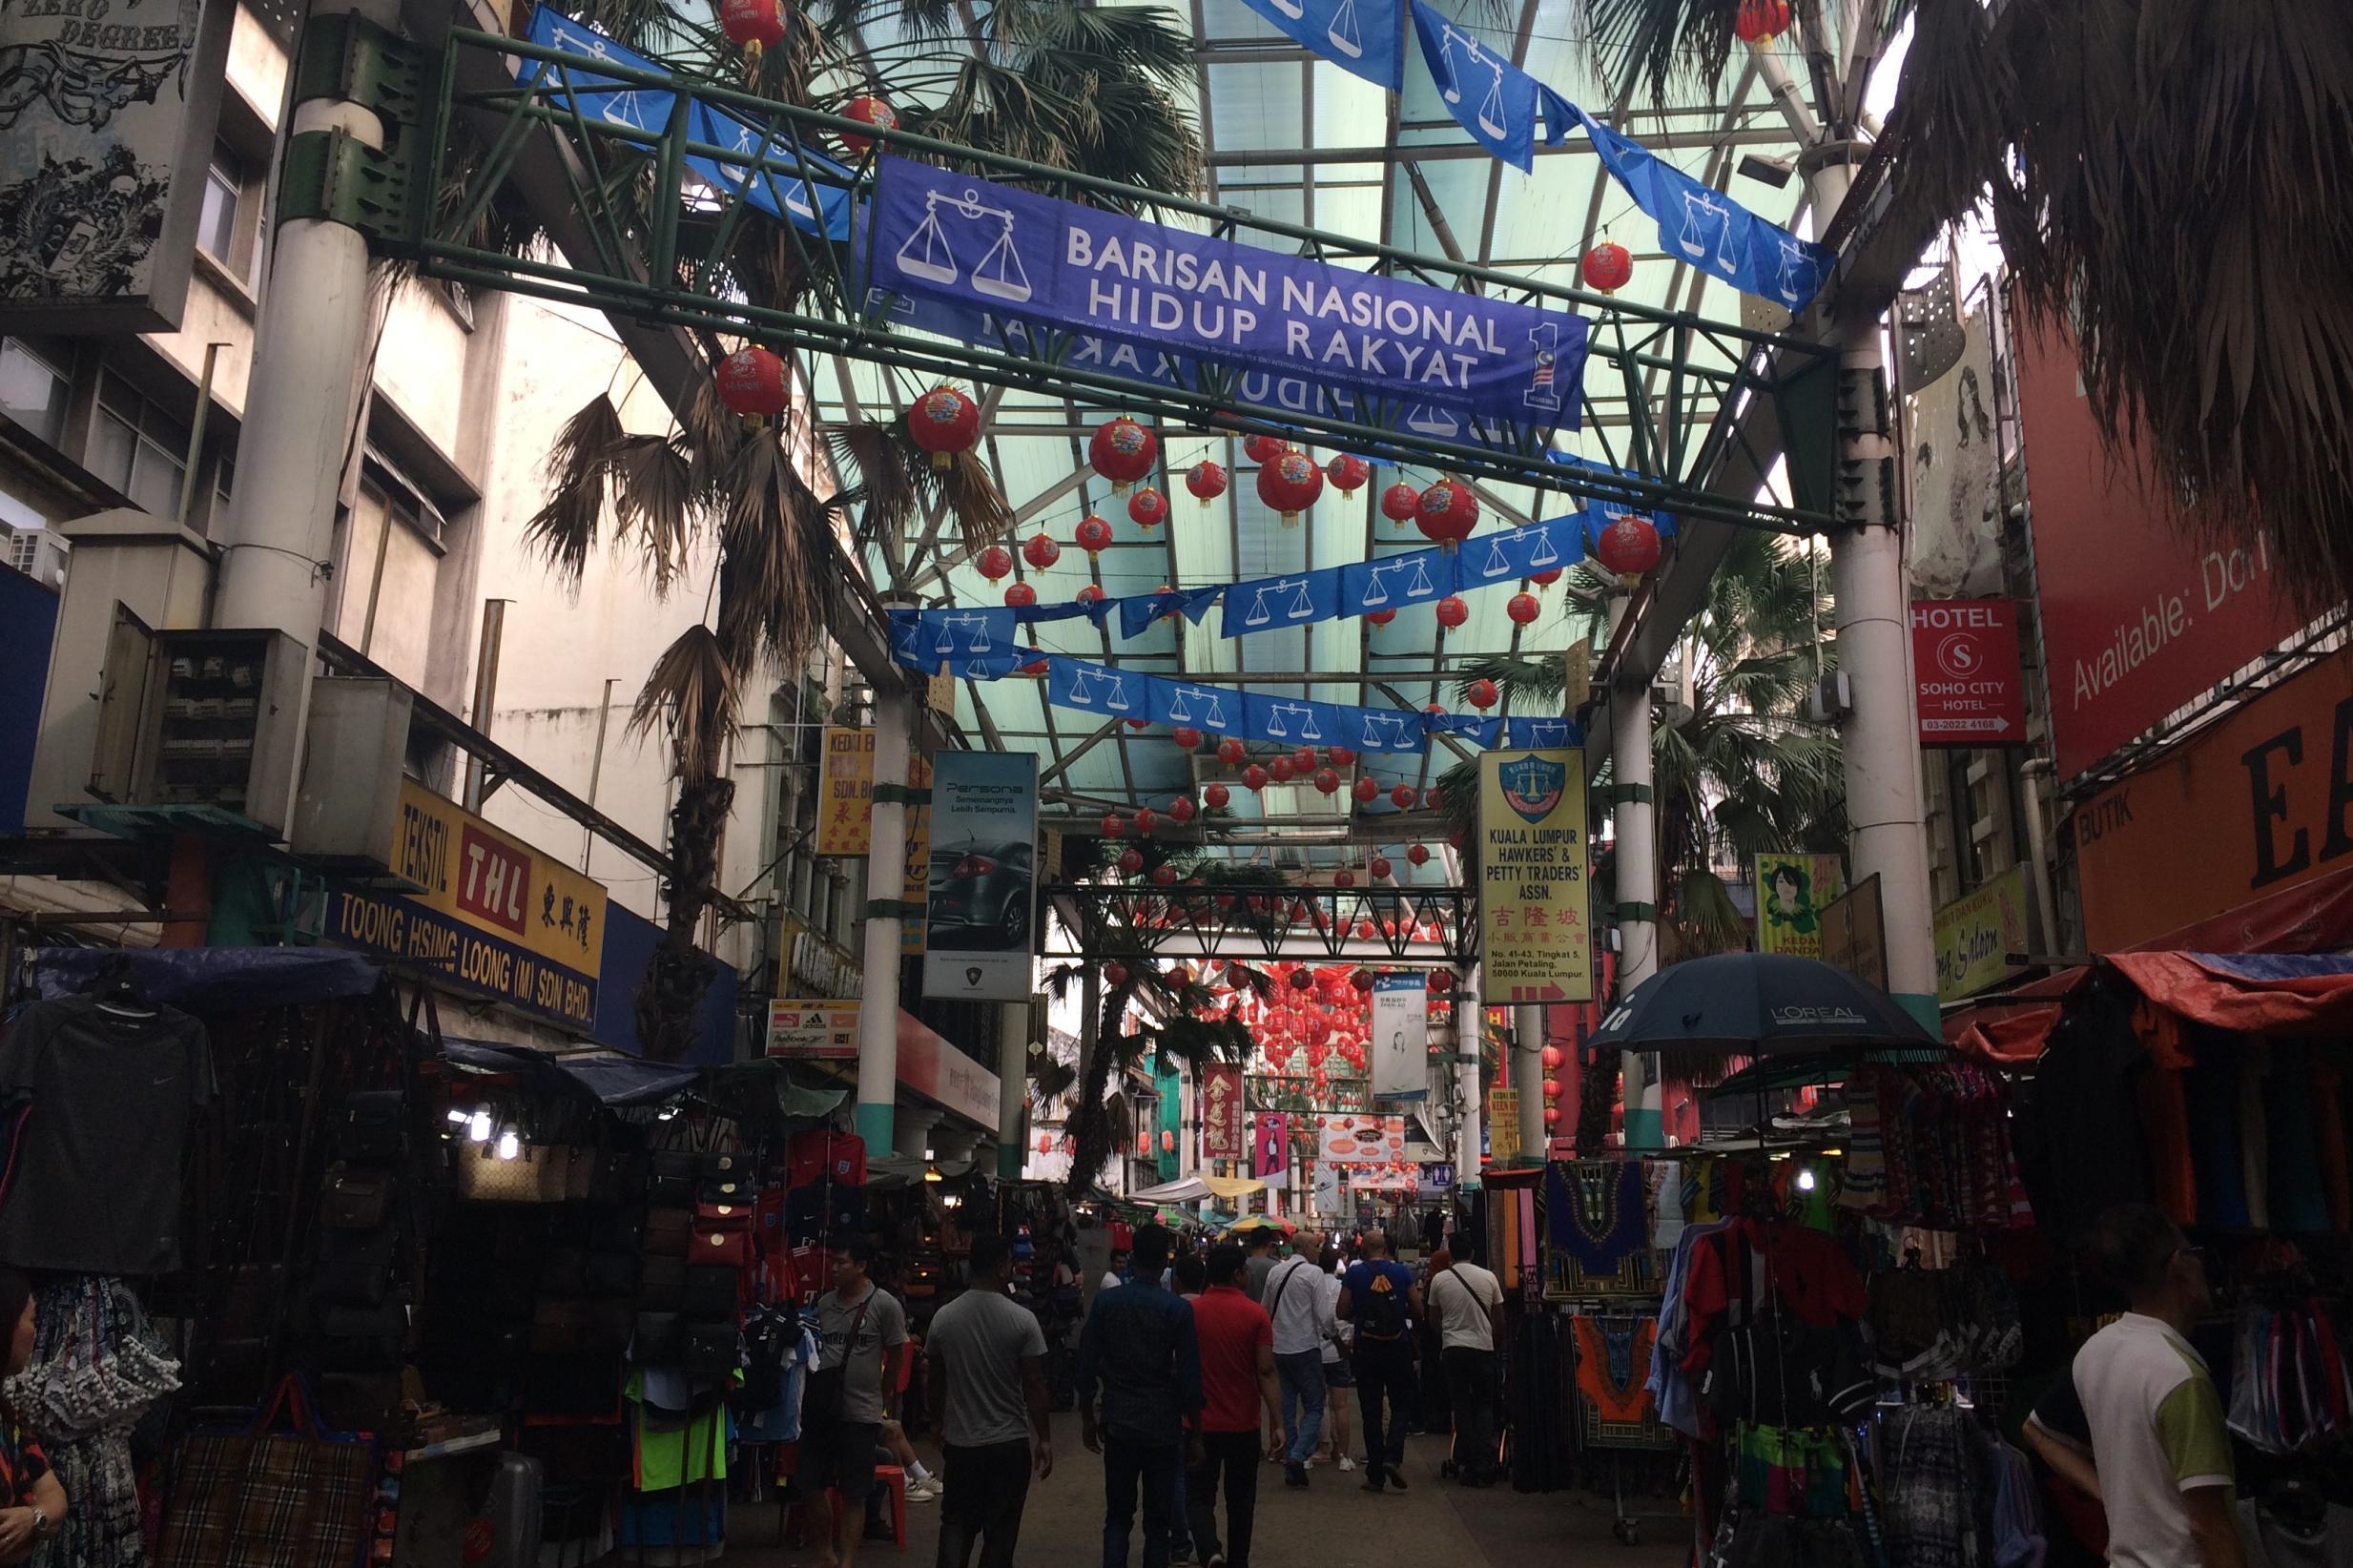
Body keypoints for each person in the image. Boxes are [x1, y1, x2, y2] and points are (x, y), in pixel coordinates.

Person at [2024, 1204, 2243, 1568]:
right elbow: (2209, 1526)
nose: (2202, 1265)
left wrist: (2112, 1496)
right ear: (2178, 1265)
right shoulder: (2180, 1376)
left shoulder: (2096, 1351)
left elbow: (2035, 1431)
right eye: (2196, 1254)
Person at [1077, 1225, 1201, 1568]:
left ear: (1131, 1258)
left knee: (1118, 1516)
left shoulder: (1106, 1303)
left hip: (1119, 1421)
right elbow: (1190, 1377)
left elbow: (1086, 1364)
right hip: (1163, 1425)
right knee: (1158, 1524)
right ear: (1165, 1263)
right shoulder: (1177, 1310)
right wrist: (1197, 1433)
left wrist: (1088, 1417)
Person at [927, 1233, 1053, 1568]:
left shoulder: (944, 1318)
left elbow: (935, 1379)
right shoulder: (1022, 1320)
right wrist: (1044, 1438)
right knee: (1001, 1531)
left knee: (956, 1523)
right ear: (1001, 1267)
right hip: (1008, 1444)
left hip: (962, 1444)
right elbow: (1035, 1382)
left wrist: (937, 1422)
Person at [799, 1242, 910, 1568]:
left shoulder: (884, 1305)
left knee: (854, 1492)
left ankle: (846, 1562)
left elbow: (897, 1353)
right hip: (821, 1411)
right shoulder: (823, 1305)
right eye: (833, 1263)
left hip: (861, 1413)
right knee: (810, 1484)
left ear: (861, 1266)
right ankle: (825, 1555)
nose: (834, 1268)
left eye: (841, 1263)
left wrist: (884, 1395)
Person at [1186, 1246, 1281, 1568]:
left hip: (1198, 1424)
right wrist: (1277, 1421)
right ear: (1237, 1274)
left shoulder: (1191, 1312)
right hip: (1243, 1423)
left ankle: (1210, 1550)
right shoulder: (1256, 1314)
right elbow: (1266, 1371)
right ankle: (1238, 1560)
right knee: (1241, 1500)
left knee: (1198, 1496)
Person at [1336, 1229, 1422, 1493]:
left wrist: (1359, 1312)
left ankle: (1375, 1474)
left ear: (1363, 1251)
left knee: (1370, 1410)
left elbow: (1341, 1310)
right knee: (1401, 1405)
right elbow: (1418, 1309)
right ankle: (1392, 1457)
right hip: (1398, 1347)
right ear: (1386, 1249)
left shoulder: (1354, 1273)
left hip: (1367, 1348)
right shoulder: (1401, 1272)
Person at [1424, 1245, 1505, 1487]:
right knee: (1484, 1404)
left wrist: (1446, 1336)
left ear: (1451, 1256)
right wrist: (1494, 1343)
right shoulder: (1488, 1277)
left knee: (1460, 1404)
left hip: (1454, 1350)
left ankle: (1467, 1458)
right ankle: (1485, 1459)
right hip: (1483, 1349)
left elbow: (1433, 1318)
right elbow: (1499, 1317)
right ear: (1472, 1253)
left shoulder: (1440, 1280)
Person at [0, 1271, 62, 1564]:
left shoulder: (10, 1419)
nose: (35, 1332)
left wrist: (32, 1518)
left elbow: (54, 1497)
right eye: (31, 1320)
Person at [1260, 1232, 1331, 1487]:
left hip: (1280, 1348)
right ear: (1304, 1247)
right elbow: (1323, 1315)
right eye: (1316, 1246)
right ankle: (1298, 1455)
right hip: (1306, 1347)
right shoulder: (1313, 1274)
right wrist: (1337, 1338)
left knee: (1287, 1407)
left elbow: (1265, 1310)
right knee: (1314, 1406)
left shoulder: (1275, 1272)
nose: (1319, 1250)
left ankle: (1290, 1454)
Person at [1315, 1246, 1355, 1474]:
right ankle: (1343, 1454)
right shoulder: (1341, 1286)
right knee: (1340, 1405)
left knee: (1317, 1404)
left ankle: (1322, 1448)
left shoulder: (1313, 1286)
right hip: (1338, 1351)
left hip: (1315, 1350)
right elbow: (1344, 1319)